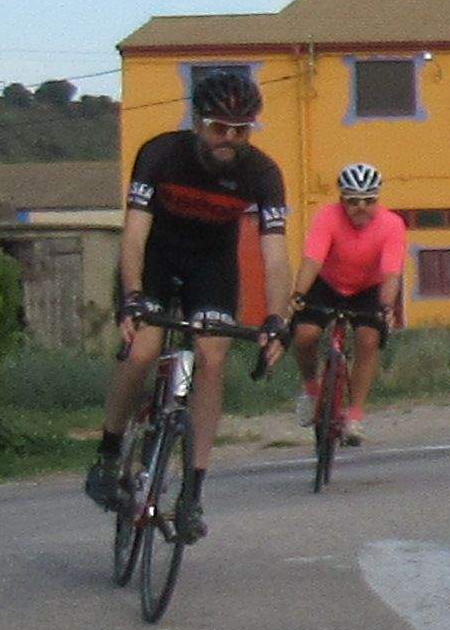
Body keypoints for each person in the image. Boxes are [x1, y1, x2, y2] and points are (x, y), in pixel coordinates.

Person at [94, 66, 289, 539]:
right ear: (197, 123)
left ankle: (192, 495)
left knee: (211, 356)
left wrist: (277, 318)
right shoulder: (160, 154)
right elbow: (135, 233)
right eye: (220, 128)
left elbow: (275, 254)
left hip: (211, 266)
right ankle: (107, 454)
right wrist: (133, 296)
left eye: (241, 130)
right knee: (141, 351)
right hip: (156, 261)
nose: (230, 139)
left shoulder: (261, 174)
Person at [278, 162, 410, 459]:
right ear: (341, 200)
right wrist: (298, 295)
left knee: (368, 340)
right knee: (305, 334)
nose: (360, 208)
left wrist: (386, 307)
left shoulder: (391, 225)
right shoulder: (327, 217)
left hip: (366, 289)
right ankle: (312, 391)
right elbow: (312, 260)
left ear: (377, 199)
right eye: (352, 201)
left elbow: (391, 273)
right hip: (327, 284)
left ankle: (355, 416)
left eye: (368, 201)